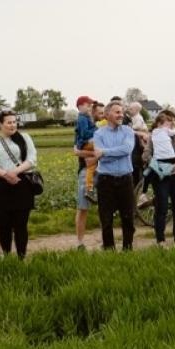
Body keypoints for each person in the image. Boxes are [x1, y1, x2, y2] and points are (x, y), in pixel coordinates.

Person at [0, 110, 38, 259]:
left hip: (22, 185)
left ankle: (22, 257)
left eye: (14, 122)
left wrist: (14, 172)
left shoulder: (25, 138)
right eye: (9, 122)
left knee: (21, 225)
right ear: (0, 124)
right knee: (4, 226)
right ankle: (7, 257)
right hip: (1, 187)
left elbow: (32, 159)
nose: (12, 125)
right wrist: (5, 174)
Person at [93, 99, 139, 251]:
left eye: (122, 112)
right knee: (106, 218)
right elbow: (99, 157)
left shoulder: (128, 131)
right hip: (106, 180)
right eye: (117, 112)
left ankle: (127, 248)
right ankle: (109, 249)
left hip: (125, 179)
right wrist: (108, 154)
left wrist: (105, 152)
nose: (121, 115)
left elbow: (126, 150)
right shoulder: (98, 134)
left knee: (128, 217)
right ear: (107, 115)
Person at [146, 110, 175, 245]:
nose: (172, 123)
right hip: (160, 176)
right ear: (160, 123)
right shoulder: (153, 136)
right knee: (162, 207)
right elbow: (146, 154)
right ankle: (161, 240)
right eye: (169, 120)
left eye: (173, 120)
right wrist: (158, 166)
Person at [71, 96, 99, 249]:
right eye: (89, 105)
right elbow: (77, 149)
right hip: (85, 167)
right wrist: (92, 155)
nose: (91, 108)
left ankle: (105, 239)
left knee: (106, 207)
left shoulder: (89, 119)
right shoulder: (83, 119)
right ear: (81, 106)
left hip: (102, 169)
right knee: (82, 208)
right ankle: (80, 242)